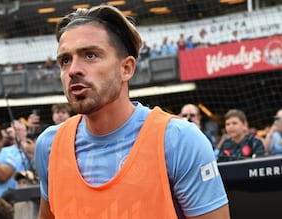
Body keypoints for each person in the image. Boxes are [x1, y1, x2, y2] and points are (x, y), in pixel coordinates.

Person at [35, 5, 229, 219]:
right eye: (65, 60)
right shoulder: (49, 146)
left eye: (90, 55)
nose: (73, 70)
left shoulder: (177, 140)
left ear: (126, 68)